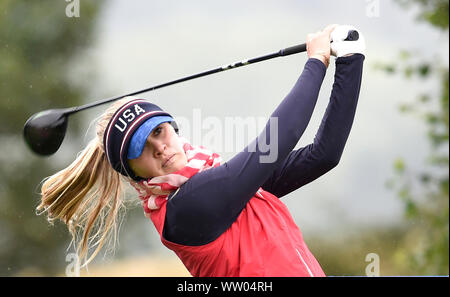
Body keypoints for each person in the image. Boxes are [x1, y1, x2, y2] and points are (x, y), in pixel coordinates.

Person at [37, 24, 365, 276]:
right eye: (143, 149)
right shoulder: (187, 209)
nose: (160, 148)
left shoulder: (227, 187)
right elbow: (274, 143)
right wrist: (317, 61)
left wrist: (350, 61)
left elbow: (323, 154)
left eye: (159, 131)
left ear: (172, 127)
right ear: (134, 174)